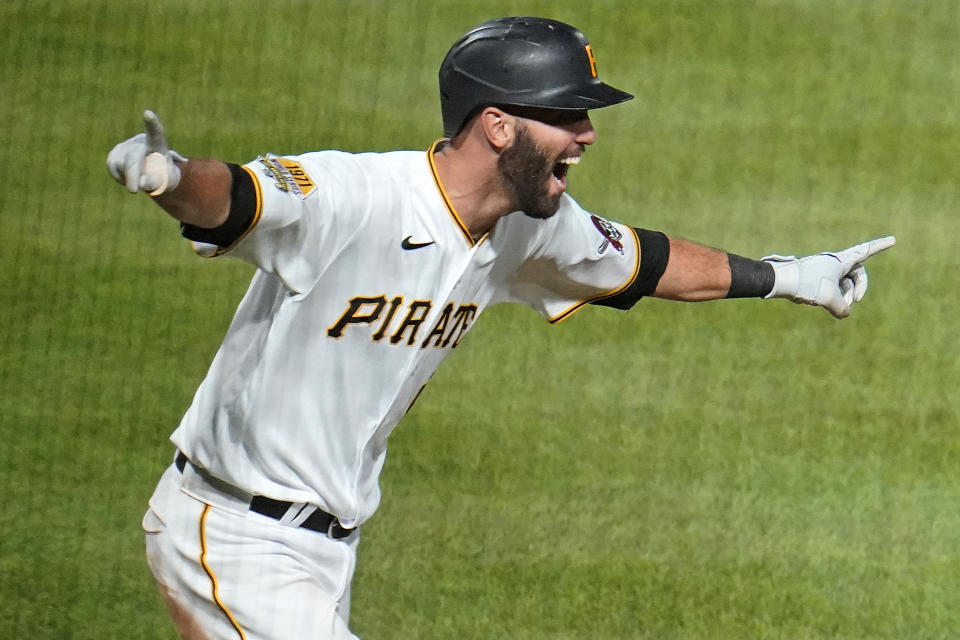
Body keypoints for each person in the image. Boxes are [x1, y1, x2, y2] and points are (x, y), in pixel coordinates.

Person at [107, 16, 894, 640]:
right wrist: (168, 178)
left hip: (325, 547)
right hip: (235, 533)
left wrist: (791, 277)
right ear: (497, 125)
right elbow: (241, 198)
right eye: (566, 115)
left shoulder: (531, 225)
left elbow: (646, 263)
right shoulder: (358, 196)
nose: (586, 135)